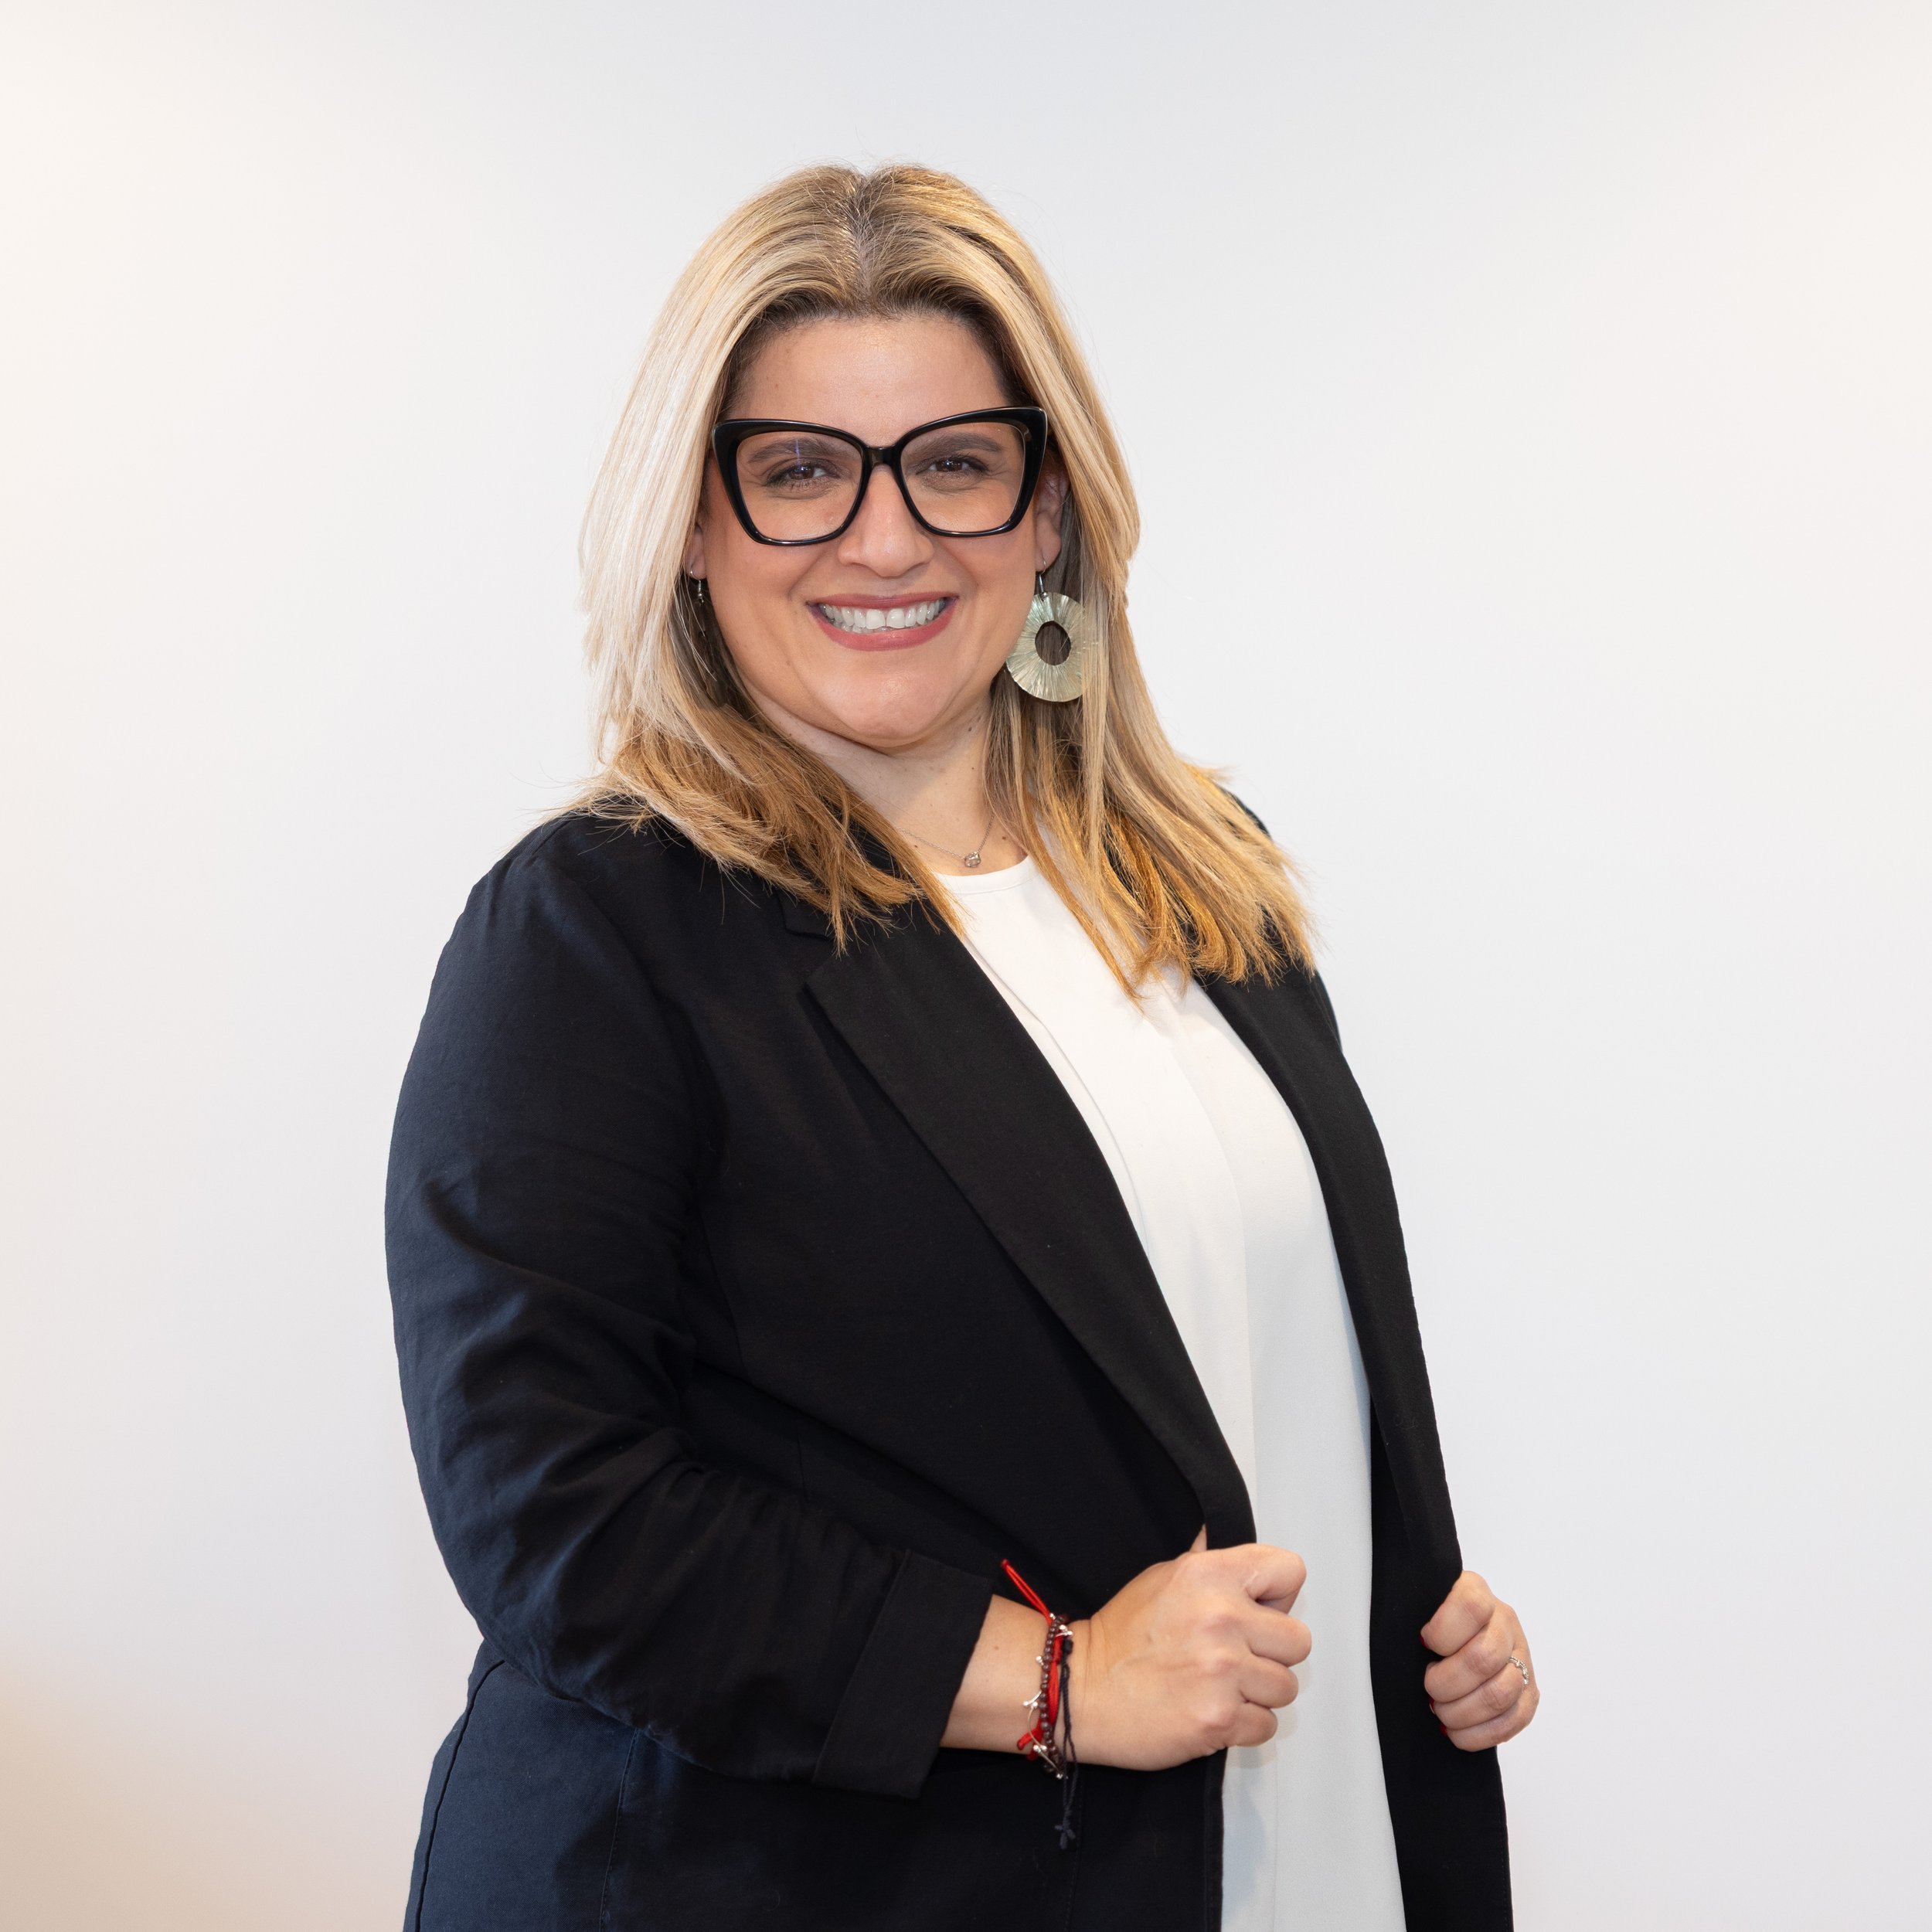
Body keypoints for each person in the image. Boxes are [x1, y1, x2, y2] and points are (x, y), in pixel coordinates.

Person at [386, 162, 1538, 1932]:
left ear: (1048, 509)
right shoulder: (598, 929)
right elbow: (560, 1520)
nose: (882, 537)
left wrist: (1406, 1595)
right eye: (794, 471)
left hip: (1282, 1847)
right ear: (689, 521)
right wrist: (1061, 1676)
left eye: (953, 462)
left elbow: (1224, 1362)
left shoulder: (1197, 879)